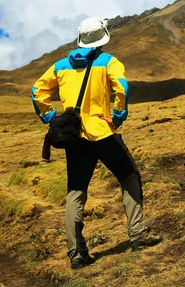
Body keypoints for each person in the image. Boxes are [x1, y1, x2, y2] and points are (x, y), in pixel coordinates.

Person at [31, 17, 161, 269]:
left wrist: (49, 116)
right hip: (102, 132)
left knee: (76, 191)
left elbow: (37, 91)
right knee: (129, 177)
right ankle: (138, 234)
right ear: (102, 38)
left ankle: (76, 252)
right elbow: (122, 89)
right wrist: (119, 116)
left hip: (74, 137)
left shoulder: (59, 66)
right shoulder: (109, 62)